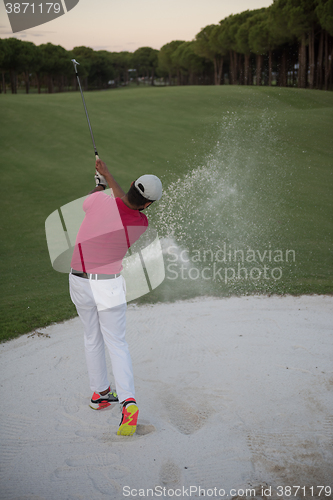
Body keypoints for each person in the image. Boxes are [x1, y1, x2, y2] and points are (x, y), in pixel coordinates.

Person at [69, 159, 162, 436]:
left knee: (91, 336)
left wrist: (101, 180)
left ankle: (99, 395)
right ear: (148, 205)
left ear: (133, 184)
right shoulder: (141, 223)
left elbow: (99, 200)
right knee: (117, 343)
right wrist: (106, 177)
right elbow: (126, 202)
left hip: (78, 280)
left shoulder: (99, 202)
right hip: (107, 286)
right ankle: (128, 402)